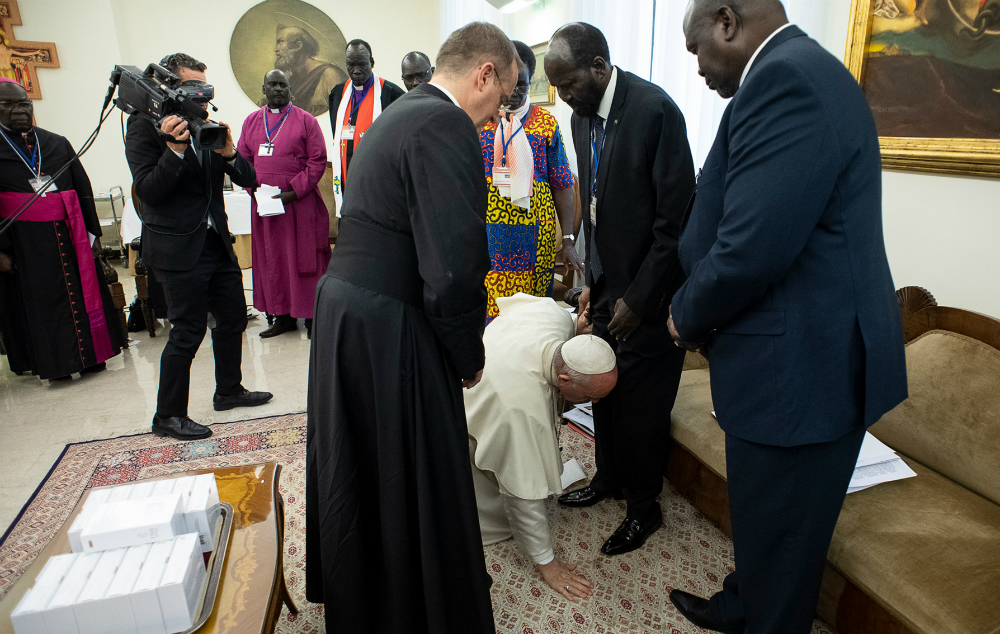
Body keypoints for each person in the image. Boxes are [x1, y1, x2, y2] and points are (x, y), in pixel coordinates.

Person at [666, 2, 909, 633]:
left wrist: (684, 317)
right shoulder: (792, 70)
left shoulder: (786, 79)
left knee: (786, 545)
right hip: (791, 362)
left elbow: (750, 250)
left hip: (802, 371)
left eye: (695, 50)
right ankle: (741, 603)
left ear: (726, 21)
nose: (697, 68)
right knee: (768, 526)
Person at [306, 22, 518, 634]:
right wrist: (466, 354)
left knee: (363, 463)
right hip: (388, 320)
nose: (495, 116)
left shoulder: (401, 113)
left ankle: (370, 592)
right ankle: (413, 603)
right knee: (412, 463)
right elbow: (452, 269)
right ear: (484, 74)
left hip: (348, 307)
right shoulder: (444, 123)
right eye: (501, 98)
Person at [543, 23, 695, 556]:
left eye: (568, 84)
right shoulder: (582, 117)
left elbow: (675, 225)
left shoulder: (656, 111)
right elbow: (596, 209)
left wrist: (639, 299)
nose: (563, 96)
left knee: (641, 409)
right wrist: (592, 282)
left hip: (653, 296)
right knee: (601, 390)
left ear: (599, 67)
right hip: (609, 287)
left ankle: (643, 507)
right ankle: (607, 479)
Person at [125, 53, 273, 441]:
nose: (202, 96)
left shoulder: (205, 124)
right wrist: (174, 151)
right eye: (193, 87)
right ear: (169, 87)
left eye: (206, 88)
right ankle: (168, 415)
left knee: (233, 318)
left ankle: (229, 390)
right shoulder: (143, 126)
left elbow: (249, 179)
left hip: (214, 242)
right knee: (188, 331)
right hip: (176, 248)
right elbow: (148, 192)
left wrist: (230, 153)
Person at [466, 293, 616, 602]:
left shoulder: (556, 316)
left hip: (490, 376)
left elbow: (565, 320)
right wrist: (548, 564)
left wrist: (579, 326)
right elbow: (522, 497)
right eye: (591, 397)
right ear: (564, 379)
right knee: (510, 492)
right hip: (464, 424)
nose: (594, 404)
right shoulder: (521, 411)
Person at [0, 78, 124, 380]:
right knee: (43, 304)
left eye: (24, 104)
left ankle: (93, 356)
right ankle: (57, 365)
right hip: (25, 243)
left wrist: (93, 234)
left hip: (72, 236)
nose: (19, 111)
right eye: (9, 105)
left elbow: (82, 187)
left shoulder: (56, 142)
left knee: (82, 293)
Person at [479, 41, 581, 322]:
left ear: (531, 80)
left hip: (537, 238)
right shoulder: (480, 121)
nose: (513, 92)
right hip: (489, 237)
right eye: (508, 84)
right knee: (494, 317)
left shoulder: (546, 124)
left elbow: (562, 183)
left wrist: (569, 240)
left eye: (522, 85)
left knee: (532, 320)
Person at [236, 70, 330, 339]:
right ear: (264, 89)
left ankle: (313, 318)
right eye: (272, 84)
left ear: (291, 90)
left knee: (304, 260)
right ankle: (283, 317)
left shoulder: (306, 121)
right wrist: (254, 190)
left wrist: (293, 192)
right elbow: (243, 161)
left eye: (283, 85)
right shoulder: (251, 122)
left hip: (299, 204)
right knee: (273, 260)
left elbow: (317, 161)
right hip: (266, 209)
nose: (278, 89)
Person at [327, 39, 404, 211]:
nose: (356, 70)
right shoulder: (337, 94)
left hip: (378, 184)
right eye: (351, 65)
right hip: (345, 181)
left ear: (372, 62)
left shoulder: (392, 94)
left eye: (361, 64)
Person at [273, 25, 347, 117]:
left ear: (298, 46)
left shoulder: (329, 75)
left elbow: (343, 114)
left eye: (281, 42)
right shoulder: (291, 80)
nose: (275, 49)